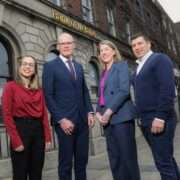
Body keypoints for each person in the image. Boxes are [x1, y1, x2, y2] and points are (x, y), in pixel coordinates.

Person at [42, 32, 95, 180]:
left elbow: (84, 91)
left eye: (68, 43)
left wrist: (90, 111)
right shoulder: (50, 66)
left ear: (74, 45)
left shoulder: (78, 66)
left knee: (82, 162)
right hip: (65, 123)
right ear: (58, 46)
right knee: (65, 164)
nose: (66, 45)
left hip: (82, 122)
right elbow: (48, 96)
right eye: (62, 43)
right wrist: (61, 120)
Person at [131, 32, 180, 180]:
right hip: (145, 120)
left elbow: (167, 90)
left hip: (159, 119)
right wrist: (139, 115)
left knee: (163, 162)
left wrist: (160, 117)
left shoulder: (160, 59)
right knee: (166, 159)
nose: (137, 47)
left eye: (140, 43)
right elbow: (141, 95)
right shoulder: (137, 68)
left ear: (149, 44)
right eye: (133, 45)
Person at [96, 40, 140, 180]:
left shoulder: (121, 66)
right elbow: (101, 96)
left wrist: (108, 113)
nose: (103, 52)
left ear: (114, 51)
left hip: (121, 117)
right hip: (107, 121)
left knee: (127, 158)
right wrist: (98, 112)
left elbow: (123, 91)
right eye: (101, 50)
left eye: (106, 49)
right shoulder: (103, 73)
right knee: (115, 158)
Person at [2, 56, 51, 180]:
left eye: (31, 65)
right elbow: (7, 115)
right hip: (20, 129)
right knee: (20, 174)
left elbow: (44, 114)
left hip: (38, 131)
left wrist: (47, 136)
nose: (27, 67)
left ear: (35, 70)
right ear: (19, 67)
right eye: (24, 64)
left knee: (36, 173)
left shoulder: (39, 90)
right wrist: (16, 140)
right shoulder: (10, 86)